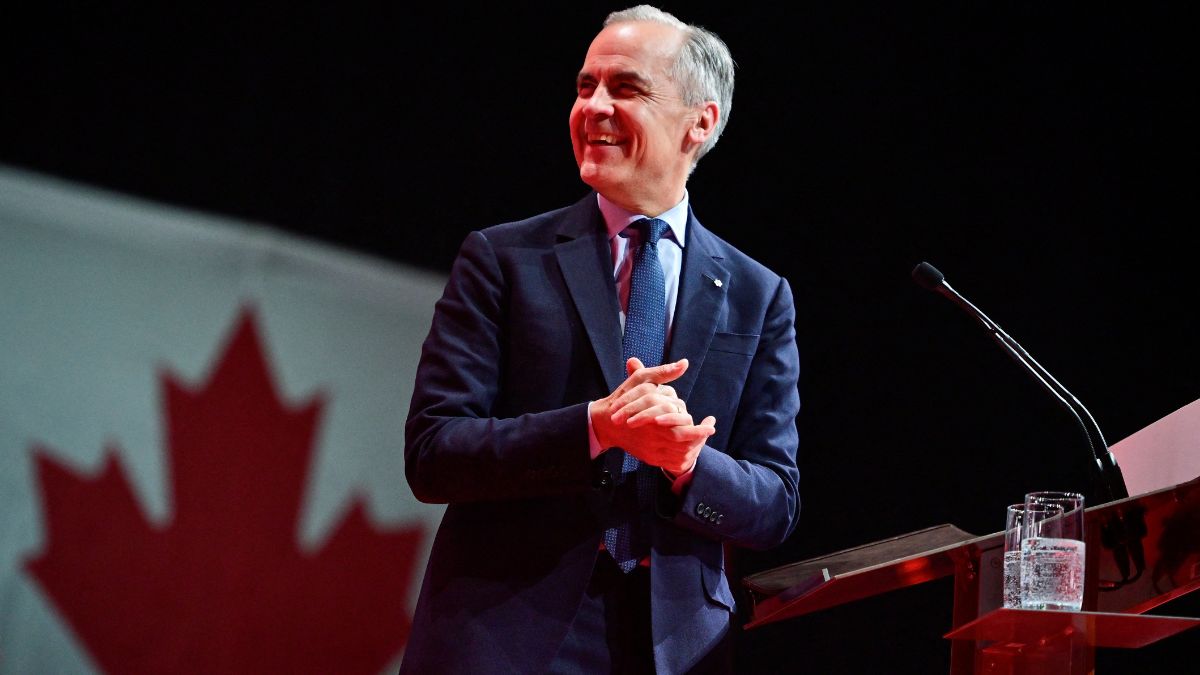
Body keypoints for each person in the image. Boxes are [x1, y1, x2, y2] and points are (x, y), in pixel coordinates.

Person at [401, 5, 800, 674]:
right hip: (505, 634)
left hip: (674, 648)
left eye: (627, 88)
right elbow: (434, 450)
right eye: (586, 86)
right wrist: (596, 426)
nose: (595, 107)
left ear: (700, 122)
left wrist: (687, 464)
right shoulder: (502, 258)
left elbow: (775, 501)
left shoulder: (759, 295)